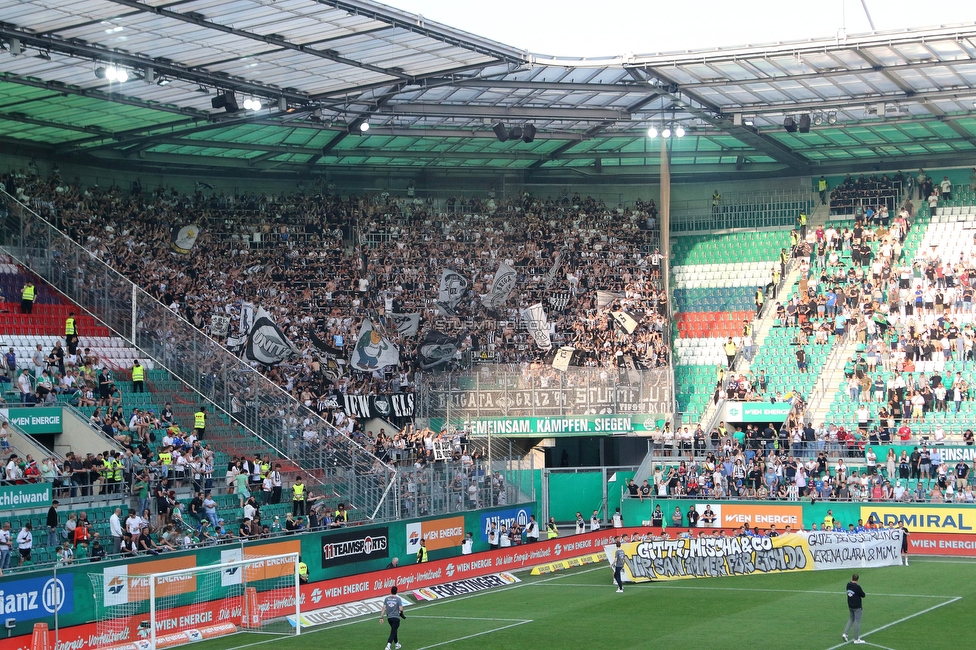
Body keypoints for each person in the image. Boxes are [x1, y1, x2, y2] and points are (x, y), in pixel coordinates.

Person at [843, 573, 867, 644]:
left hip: (850, 605)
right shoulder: (857, 587)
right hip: (857, 606)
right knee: (857, 622)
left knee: (851, 619)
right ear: (857, 579)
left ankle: (845, 633)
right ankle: (856, 639)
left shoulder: (848, 585)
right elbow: (863, 595)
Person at [381, 586, 404, 650]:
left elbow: (384, 608)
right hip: (396, 618)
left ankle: (397, 644)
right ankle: (388, 645)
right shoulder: (398, 599)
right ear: (396, 591)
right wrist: (402, 613)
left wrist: (381, 617)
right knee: (393, 631)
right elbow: (400, 608)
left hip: (389, 618)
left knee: (394, 630)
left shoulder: (386, 599)